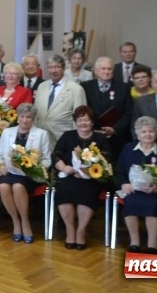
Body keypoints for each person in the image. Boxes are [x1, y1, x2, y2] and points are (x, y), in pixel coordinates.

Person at [51, 105, 112, 250]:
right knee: (64, 190)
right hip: (69, 175)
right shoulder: (68, 136)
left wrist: (87, 171)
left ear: (92, 122)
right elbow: (55, 155)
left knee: (87, 192)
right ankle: (70, 230)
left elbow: (107, 160)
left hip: (91, 179)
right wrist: (64, 167)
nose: (83, 123)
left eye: (86, 120)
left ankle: (81, 231)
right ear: (75, 122)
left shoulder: (100, 138)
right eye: (80, 120)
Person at [0, 103, 53, 243]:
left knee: (18, 187)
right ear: (17, 117)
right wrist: (1, 165)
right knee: (3, 186)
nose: (25, 120)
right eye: (22, 116)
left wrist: (34, 168)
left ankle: (25, 222)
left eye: (28, 117)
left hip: (29, 175)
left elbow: (47, 159)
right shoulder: (7, 132)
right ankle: (16, 222)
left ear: (33, 119)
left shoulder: (41, 134)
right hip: (9, 172)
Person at [116, 116, 157, 253]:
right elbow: (118, 169)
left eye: (151, 131)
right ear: (137, 134)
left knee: (153, 204)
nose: (147, 134)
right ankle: (134, 242)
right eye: (143, 131)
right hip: (133, 191)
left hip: (155, 193)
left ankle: (152, 245)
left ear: (156, 133)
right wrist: (124, 183)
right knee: (130, 201)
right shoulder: (128, 149)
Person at [80, 56, 133, 160]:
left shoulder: (124, 87)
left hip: (117, 138)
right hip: (92, 135)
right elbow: (82, 111)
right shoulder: (85, 87)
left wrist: (115, 129)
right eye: (103, 69)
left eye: (109, 69)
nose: (106, 71)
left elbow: (129, 112)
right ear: (95, 71)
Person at [34, 54, 86, 142]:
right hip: (41, 136)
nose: (53, 70)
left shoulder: (76, 89)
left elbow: (80, 118)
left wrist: (77, 140)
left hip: (63, 137)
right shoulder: (41, 86)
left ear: (63, 68)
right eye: (50, 67)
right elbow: (35, 112)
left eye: (57, 67)